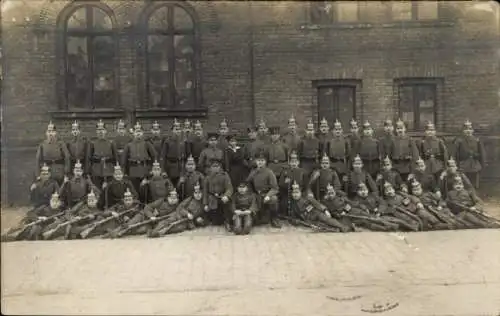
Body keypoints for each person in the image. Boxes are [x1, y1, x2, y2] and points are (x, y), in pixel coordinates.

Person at [112, 188, 180, 237]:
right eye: (171, 198)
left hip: (152, 223)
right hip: (143, 215)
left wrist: (157, 218)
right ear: (167, 198)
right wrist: (151, 216)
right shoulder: (161, 201)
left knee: (137, 230)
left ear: (177, 200)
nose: (172, 200)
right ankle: (115, 232)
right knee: (130, 223)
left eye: (174, 198)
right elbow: (148, 207)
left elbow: (170, 218)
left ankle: (121, 233)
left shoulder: (177, 208)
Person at [246, 152, 280, 228]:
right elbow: (247, 182)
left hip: (266, 194)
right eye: (258, 160)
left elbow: (275, 188)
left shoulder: (269, 172)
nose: (260, 162)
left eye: (262, 160)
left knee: (274, 199)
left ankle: (274, 218)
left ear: (265, 162)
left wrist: (268, 195)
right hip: (257, 195)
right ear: (255, 161)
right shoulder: (253, 171)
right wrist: (251, 193)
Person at [122, 121, 156, 195]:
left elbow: (154, 157)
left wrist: (152, 169)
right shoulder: (129, 145)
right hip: (133, 171)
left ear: (142, 133)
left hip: (145, 170)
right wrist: (124, 173)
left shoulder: (147, 144)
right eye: (136, 131)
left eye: (140, 131)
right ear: (133, 133)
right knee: (134, 190)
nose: (138, 133)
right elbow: (124, 161)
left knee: (145, 191)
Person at [453, 119, 486, 189]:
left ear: (473, 130)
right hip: (463, 164)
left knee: (474, 183)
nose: (468, 131)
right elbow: (454, 154)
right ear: (463, 131)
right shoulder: (459, 141)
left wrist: (482, 164)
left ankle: (474, 193)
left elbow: (482, 153)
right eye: (466, 129)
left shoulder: (477, 140)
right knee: (464, 182)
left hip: (475, 164)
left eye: (470, 129)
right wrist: (455, 165)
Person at [87, 119, 119, 190]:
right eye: (98, 130)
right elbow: (89, 158)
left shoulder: (111, 142)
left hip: (109, 169)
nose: (100, 131)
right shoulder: (92, 143)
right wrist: (88, 171)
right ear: (96, 131)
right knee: (97, 190)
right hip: (96, 170)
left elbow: (116, 158)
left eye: (102, 129)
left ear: (105, 131)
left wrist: (117, 170)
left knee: (109, 189)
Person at [203, 159, 233, 229]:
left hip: (222, 197)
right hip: (212, 198)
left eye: (217, 166)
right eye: (213, 166)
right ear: (210, 168)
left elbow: (229, 188)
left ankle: (227, 221)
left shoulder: (225, 175)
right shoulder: (207, 177)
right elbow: (205, 191)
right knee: (216, 222)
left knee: (227, 205)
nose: (215, 168)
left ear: (220, 167)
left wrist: (226, 195)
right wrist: (205, 204)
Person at [161, 120, 186, 184]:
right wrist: (163, 170)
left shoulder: (183, 141)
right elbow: (163, 156)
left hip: (180, 165)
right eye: (176, 129)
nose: (177, 131)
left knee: (180, 184)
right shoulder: (167, 141)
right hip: (170, 166)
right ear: (172, 130)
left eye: (179, 129)